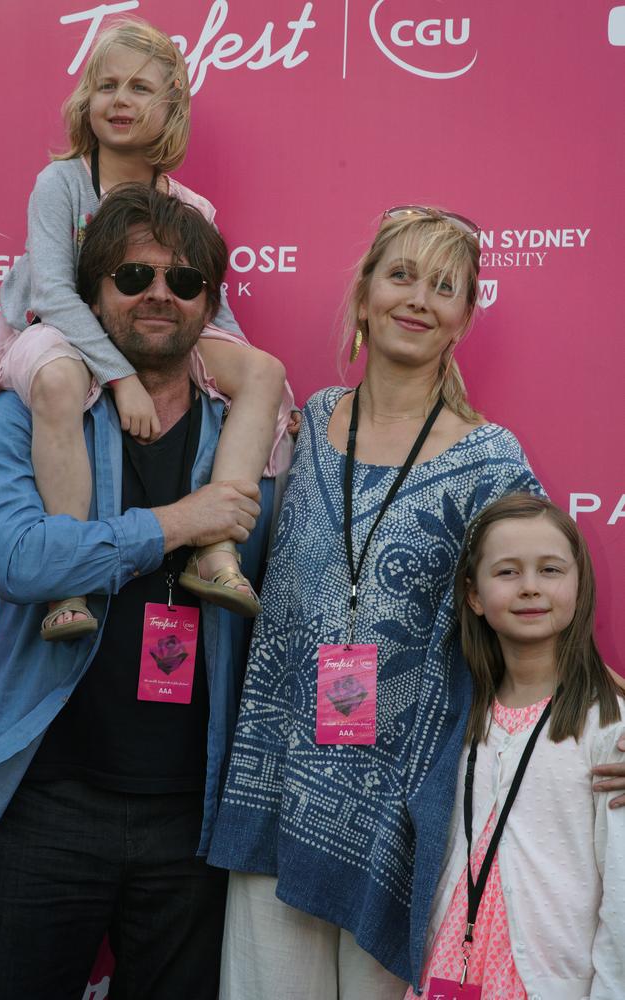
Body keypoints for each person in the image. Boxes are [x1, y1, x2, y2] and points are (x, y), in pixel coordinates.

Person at [207, 206, 546, 998]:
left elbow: (543, 598)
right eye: (400, 276)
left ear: (464, 318)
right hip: (278, 782)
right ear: (364, 296)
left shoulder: (489, 459)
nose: (418, 298)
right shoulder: (309, 418)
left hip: (402, 806)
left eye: (444, 286)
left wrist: (610, 710)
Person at [0, 184, 273, 999]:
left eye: (183, 283)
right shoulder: (25, 415)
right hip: (43, 804)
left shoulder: (249, 440)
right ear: (90, 290)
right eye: (133, 275)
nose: (157, 296)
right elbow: (19, 560)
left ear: (209, 303)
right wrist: (178, 523)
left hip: (193, 821)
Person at [0, 17, 294, 640]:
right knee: (59, 380)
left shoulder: (192, 209)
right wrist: (123, 378)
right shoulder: (62, 183)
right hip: (51, 332)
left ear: (171, 107)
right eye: (108, 85)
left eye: (140, 88)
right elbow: (51, 292)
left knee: (264, 370)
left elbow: (214, 312)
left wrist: (270, 395)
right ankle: (67, 581)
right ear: (86, 99)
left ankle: (216, 549)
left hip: (117, 347)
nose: (121, 100)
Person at [405, 494, 625, 999]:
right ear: (474, 595)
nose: (530, 587)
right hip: (446, 974)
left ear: (578, 584)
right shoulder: (456, 717)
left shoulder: (608, 728)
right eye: (507, 572)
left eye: (550, 569)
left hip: (550, 984)